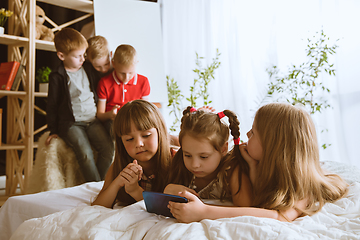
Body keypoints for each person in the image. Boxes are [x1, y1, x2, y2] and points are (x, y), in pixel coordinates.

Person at [168, 103, 349, 223]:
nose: (246, 134)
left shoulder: (303, 186)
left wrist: (204, 212)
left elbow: (279, 217)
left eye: (253, 132)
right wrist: (253, 168)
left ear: (273, 145)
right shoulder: (256, 163)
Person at [46, 28, 114, 182]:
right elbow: (52, 104)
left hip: (92, 121)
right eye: (77, 56)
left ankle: (101, 184)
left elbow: (104, 72)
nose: (82, 59)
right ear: (61, 56)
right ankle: (95, 188)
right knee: (85, 153)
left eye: (83, 55)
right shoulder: (57, 76)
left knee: (108, 148)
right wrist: (53, 130)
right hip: (72, 124)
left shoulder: (88, 68)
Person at [164, 106, 253, 207]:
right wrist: (168, 189)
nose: (195, 165)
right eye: (188, 155)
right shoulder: (180, 165)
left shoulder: (232, 171)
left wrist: (203, 210)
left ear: (223, 149)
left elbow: (246, 210)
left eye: (204, 157)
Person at [92, 100, 172, 208]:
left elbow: (167, 207)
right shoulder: (121, 165)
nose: (138, 144)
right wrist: (117, 183)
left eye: (146, 135)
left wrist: (135, 191)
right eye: (129, 139)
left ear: (160, 132)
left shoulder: (176, 160)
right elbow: (97, 206)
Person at [96, 44, 150, 139]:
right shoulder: (104, 83)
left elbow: (145, 111)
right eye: (122, 73)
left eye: (130, 73)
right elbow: (100, 115)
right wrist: (110, 115)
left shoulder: (143, 82)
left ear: (136, 64)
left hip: (134, 120)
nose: (126, 78)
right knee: (118, 131)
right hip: (113, 121)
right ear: (114, 64)